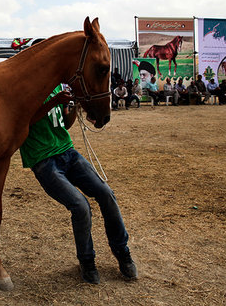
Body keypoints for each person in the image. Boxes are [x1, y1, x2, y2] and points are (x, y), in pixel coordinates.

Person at [19, 84, 137, 284]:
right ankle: (87, 261)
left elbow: (65, 124)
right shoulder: (24, 87)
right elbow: (22, 122)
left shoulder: (56, 86)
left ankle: (122, 252)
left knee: (106, 194)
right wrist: (54, 102)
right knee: (80, 206)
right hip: (43, 161)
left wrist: (73, 105)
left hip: (68, 152)